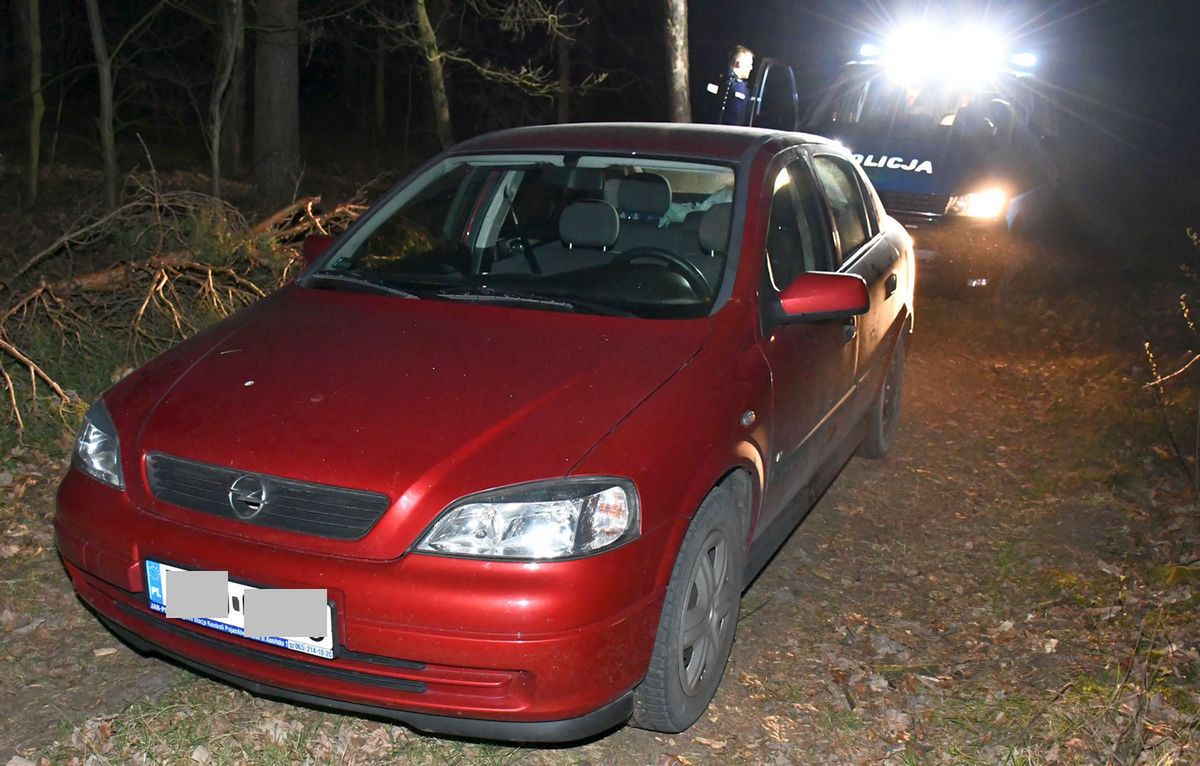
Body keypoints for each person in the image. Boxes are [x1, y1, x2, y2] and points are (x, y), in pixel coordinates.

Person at [707, 45, 754, 125]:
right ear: (738, 64)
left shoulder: (718, 80)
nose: (751, 68)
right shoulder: (737, 87)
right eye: (749, 64)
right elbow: (736, 118)